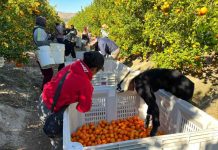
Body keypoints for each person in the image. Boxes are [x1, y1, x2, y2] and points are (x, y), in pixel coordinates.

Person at [38, 51, 104, 149]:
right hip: (51, 110)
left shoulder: (71, 67)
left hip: (43, 100)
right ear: (94, 69)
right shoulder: (85, 84)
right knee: (60, 141)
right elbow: (83, 108)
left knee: (51, 131)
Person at [121, 68, 194, 136]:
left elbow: (154, 106)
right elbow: (151, 99)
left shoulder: (139, 86)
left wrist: (154, 128)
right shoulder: (140, 78)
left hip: (181, 86)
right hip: (178, 79)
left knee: (186, 114)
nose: (127, 90)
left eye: (126, 87)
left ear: (130, 82)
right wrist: (148, 115)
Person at [33, 16, 53, 90]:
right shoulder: (39, 30)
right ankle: (45, 90)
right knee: (48, 73)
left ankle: (45, 89)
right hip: (43, 53)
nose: (46, 23)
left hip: (41, 53)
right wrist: (49, 41)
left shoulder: (39, 29)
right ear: (41, 22)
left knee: (47, 73)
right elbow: (41, 42)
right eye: (45, 21)